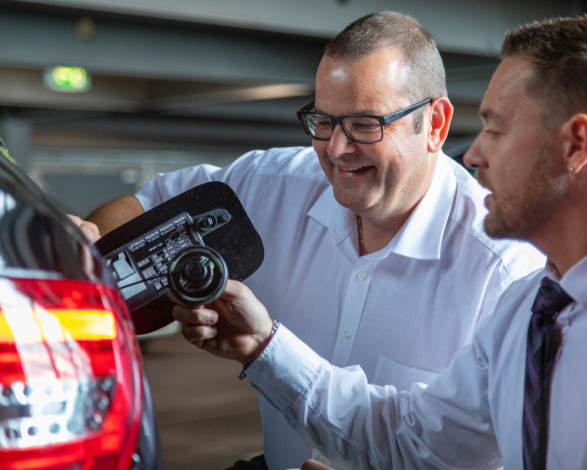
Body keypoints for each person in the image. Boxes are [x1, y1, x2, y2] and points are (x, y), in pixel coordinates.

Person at [172, 15, 587, 470]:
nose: (475, 155)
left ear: (575, 145)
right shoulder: (529, 311)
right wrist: (264, 346)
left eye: (496, 130)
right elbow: (415, 438)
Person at [78, 12, 544, 470]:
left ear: (436, 125)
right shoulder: (268, 184)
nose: (336, 149)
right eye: (324, 121)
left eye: (365, 124)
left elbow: (477, 448)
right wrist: (81, 245)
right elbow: (143, 207)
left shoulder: (505, 271)